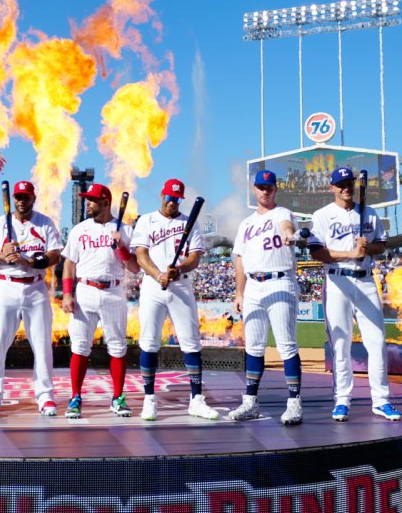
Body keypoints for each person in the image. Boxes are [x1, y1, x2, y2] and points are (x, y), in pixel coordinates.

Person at [308, 167, 402, 421]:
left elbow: (381, 246)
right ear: (332, 187)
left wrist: (367, 247)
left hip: (366, 281)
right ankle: (342, 400)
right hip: (338, 281)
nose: (345, 188)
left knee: (377, 342)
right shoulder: (322, 215)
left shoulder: (369, 213)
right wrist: (351, 253)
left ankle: (381, 401)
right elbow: (316, 252)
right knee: (340, 344)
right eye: (340, 184)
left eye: (349, 183)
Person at [131, 177, 219, 421]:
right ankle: (149, 399)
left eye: (177, 199)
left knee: (191, 343)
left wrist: (179, 269)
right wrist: (158, 274)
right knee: (149, 343)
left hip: (180, 286)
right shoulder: (147, 220)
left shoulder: (189, 222)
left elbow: (195, 257)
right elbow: (141, 255)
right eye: (170, 198)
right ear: (162, 195)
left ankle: (196, 400)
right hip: (152, 286)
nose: (173, 202)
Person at [0, 180, 63, 417]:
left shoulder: (44, 223)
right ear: (13, 199)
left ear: (33, 198)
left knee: (43, 344)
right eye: (18, 197)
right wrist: (2, 255)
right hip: (6, 287)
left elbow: (55, 254)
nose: (21, 201)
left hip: (35, 287)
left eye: (26, 197)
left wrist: (30, 262)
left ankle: (45, 396)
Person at [229, 169, 304, 425]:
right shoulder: (246, 223)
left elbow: (287, 226)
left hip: (279, 281)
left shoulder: (281, 213)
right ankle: (250, 402)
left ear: (275, 190)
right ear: (254, 190)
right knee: (253, 348)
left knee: (286, 345)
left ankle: (294, 403)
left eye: (269, 187)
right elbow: (239, 259)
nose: (265, 191)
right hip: (252, 285)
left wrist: (287, 233)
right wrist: (239, 292)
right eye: (261, 187)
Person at [60, 183, 140, 418]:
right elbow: (69, 263)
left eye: (92, 200)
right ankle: (75, 398)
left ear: (105, 202)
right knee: (80, 347)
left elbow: (134, 268)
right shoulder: (79, 229)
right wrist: (67, 293)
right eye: (87, 199)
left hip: (114, 291)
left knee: (117, 347)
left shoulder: (124, 230)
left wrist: (122, 248)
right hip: (85, 290)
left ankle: (117, 397)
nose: (88, 203)